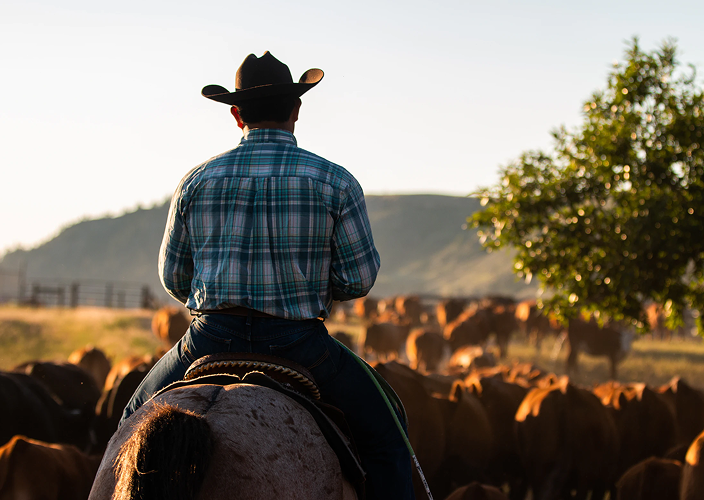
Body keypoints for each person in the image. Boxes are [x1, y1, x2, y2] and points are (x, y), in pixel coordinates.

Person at [120, 51, 416, 498]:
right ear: (296, 109)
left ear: (236, 114)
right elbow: (358, 280)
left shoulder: (196, 181)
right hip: (302, 344)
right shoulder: (334, 181)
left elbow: (174, 277)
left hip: (210, 337)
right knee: (388, 437)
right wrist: (313, 287)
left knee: (127, 429)